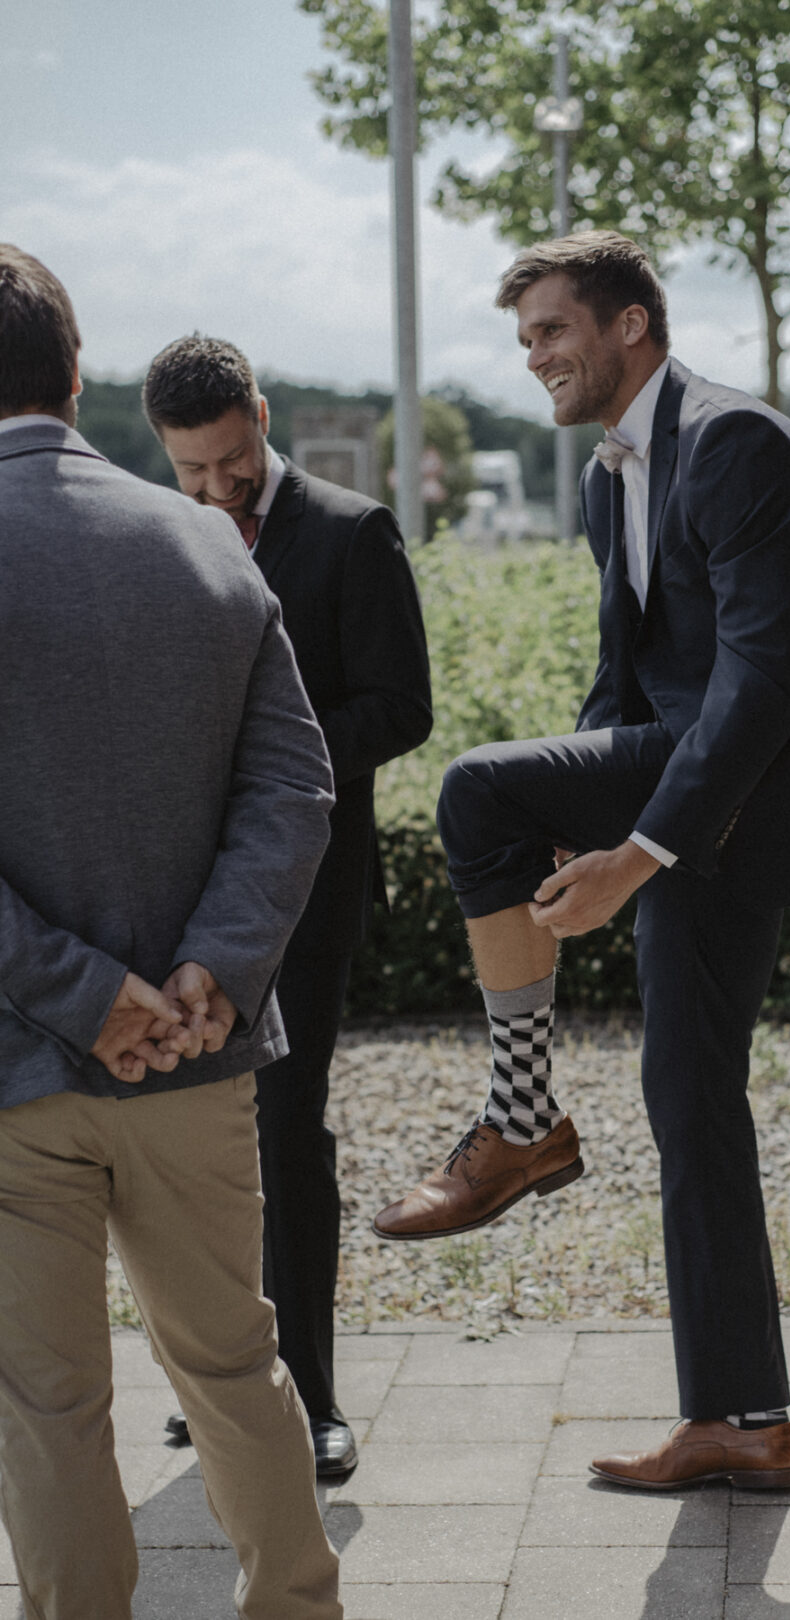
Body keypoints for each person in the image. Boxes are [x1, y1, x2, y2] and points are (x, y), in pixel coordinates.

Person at [373, 231, 790, 1492]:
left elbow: (761, 683)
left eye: (552, 331)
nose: (536, 357)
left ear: (629, 324)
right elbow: (626, 676)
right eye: (524, 339)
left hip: (768, 788)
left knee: (474, 790)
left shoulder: (739, 444)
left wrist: (634, 852)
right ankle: (740, 1420)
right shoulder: (607, 477)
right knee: (689, 1096)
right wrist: (585, 812)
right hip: (694, 785)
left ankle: (519, 1119)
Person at [0, 245, 341, 1617]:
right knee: (235, 1366)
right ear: (77, 377)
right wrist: (213, 968)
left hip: (14, 1071)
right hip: (200, 1053)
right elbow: (295, 786)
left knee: (46, 1406)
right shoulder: (206, 541)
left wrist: (82, 992)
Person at [142, 337, 432, 1477]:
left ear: (261, 416)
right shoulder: (158, 532)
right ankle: (223, 1386)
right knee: (192, 1148)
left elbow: (403, 707)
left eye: (233, 462)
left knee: (285, 1133)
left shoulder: (356, 534)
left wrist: (271, 760)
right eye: (191, 471)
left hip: (306, 887)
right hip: (177, 893)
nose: (217, 489)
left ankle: (310, 1397)